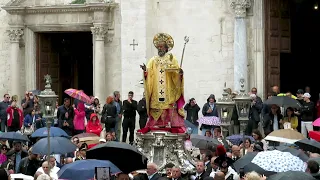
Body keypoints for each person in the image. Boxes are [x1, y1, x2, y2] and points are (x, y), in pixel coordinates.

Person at [140, 33, 185, 130]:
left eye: (161, 47)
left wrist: (179, 74)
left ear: (166, 48)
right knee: (156, 113)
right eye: (158, 47)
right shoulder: (153, 60)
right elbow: (149, 73)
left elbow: (176, 73)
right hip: (156, 91)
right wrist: (145, 71)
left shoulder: (171, 59)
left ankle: (169, 126)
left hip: (168, 92)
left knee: (168, 111)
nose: (159, 49)